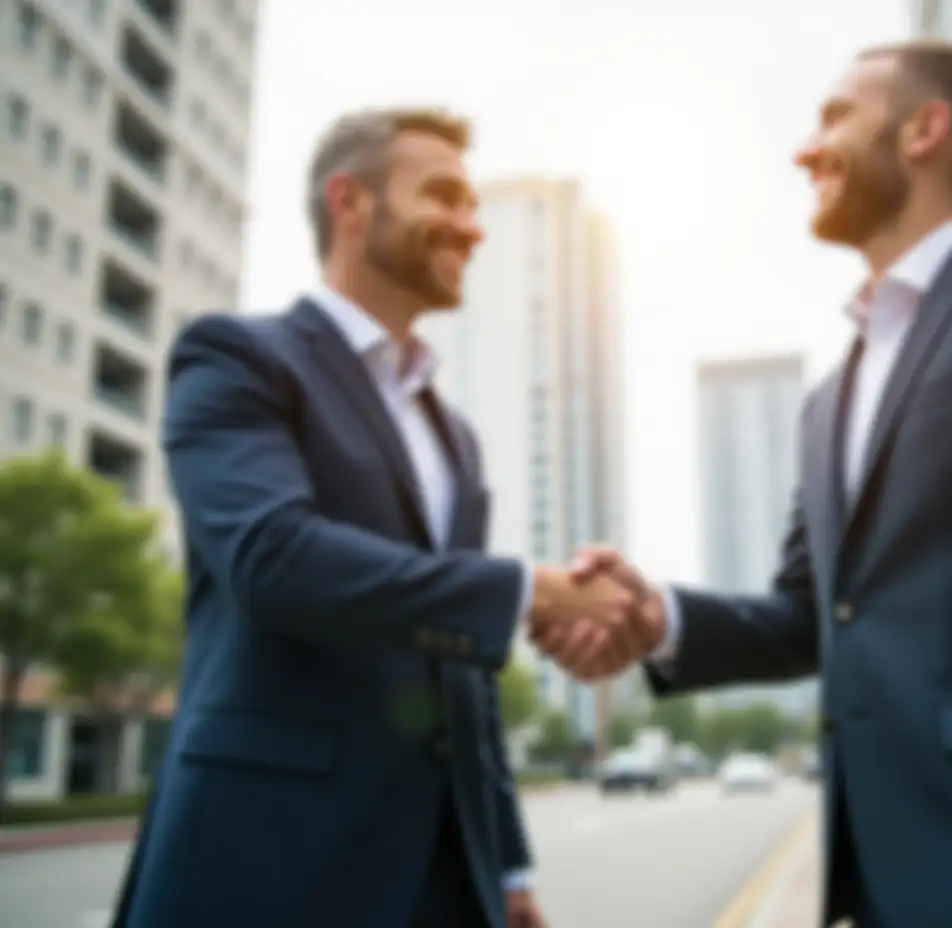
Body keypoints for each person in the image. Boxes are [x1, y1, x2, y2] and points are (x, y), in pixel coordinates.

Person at [546, 40, 952, 928]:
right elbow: (809, 615)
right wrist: (655, 616)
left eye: (834, 118)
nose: (804, 150)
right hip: (889, 890)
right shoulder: (829, 401)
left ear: (923, 130)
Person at [110, 107, 645, 928]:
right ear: (349, 202)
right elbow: (272, 560)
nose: (474, 229)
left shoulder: (456, 438)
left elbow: (460, 665)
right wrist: (528, 594)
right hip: (265, 861)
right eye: (446, 198)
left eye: (476, 206)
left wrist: (505, 862)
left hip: (440, 878)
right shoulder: (235, 357)